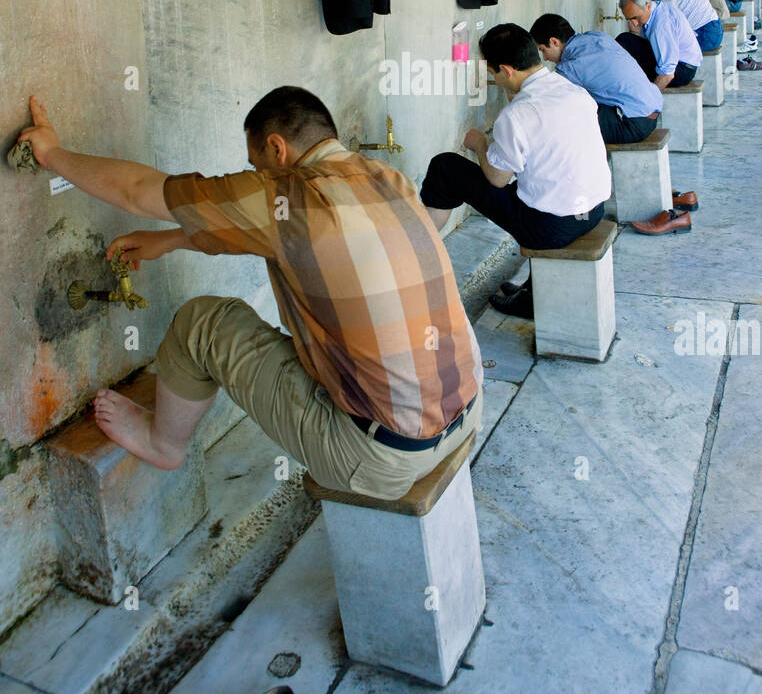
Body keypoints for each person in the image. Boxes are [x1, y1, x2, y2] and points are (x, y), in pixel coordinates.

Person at [16, 90, 483, 500]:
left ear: (276, 148)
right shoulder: (387, 179)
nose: (255, 175)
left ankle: (164, 445)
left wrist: (52, 153)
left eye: (255, 165)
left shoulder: (291, 196)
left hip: (379, 457)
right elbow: (262, 233)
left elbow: (140, 192)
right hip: (465, 413)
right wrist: (172, 239)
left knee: (203, 323)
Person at [420, 23, 611, 319]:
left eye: (492, 74)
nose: (493, 79)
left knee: (445, 167)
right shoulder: (573, 90)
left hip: (552, 228)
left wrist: (481, 143)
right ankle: (533, 291)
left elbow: (497, 179)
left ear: (507, 71)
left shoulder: (517, 114)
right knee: (539, 187)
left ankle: (416, 257)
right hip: (593, 210)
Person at [530, 13, 663, 145]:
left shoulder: (570, 68)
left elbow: (543, 98)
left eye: (543, 50)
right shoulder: (597, 36)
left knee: (563, 120)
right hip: (651, 112)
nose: (545, 58)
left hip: (632, 124)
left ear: (554, 42)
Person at [616, 0, 702, 87]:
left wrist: (652, 98)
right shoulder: (657, 9)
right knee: (626, 41)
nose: (634, 23)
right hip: (682, 64)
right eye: (629, 19)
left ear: (647, 6)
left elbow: (668, 74)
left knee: (625, 41)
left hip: (681, 71)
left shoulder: (661, 26)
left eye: (636, 18)